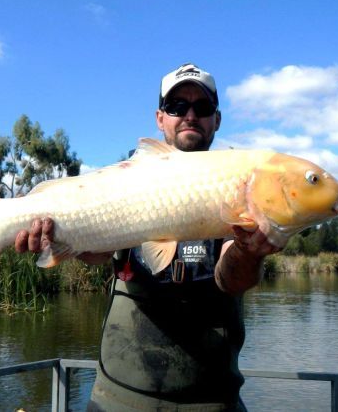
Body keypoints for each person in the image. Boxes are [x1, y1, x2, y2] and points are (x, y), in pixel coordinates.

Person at [15, 63, 281, 411]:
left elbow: (234, 280)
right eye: (176, 107)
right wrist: (61, 240)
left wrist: (249, 252)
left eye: (202, 108)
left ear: (216, 120)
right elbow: (97, 254)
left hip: (213, 398)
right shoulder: (129, 178)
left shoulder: (235, 182)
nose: (189, 115)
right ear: (160, 118)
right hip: (120, 395)